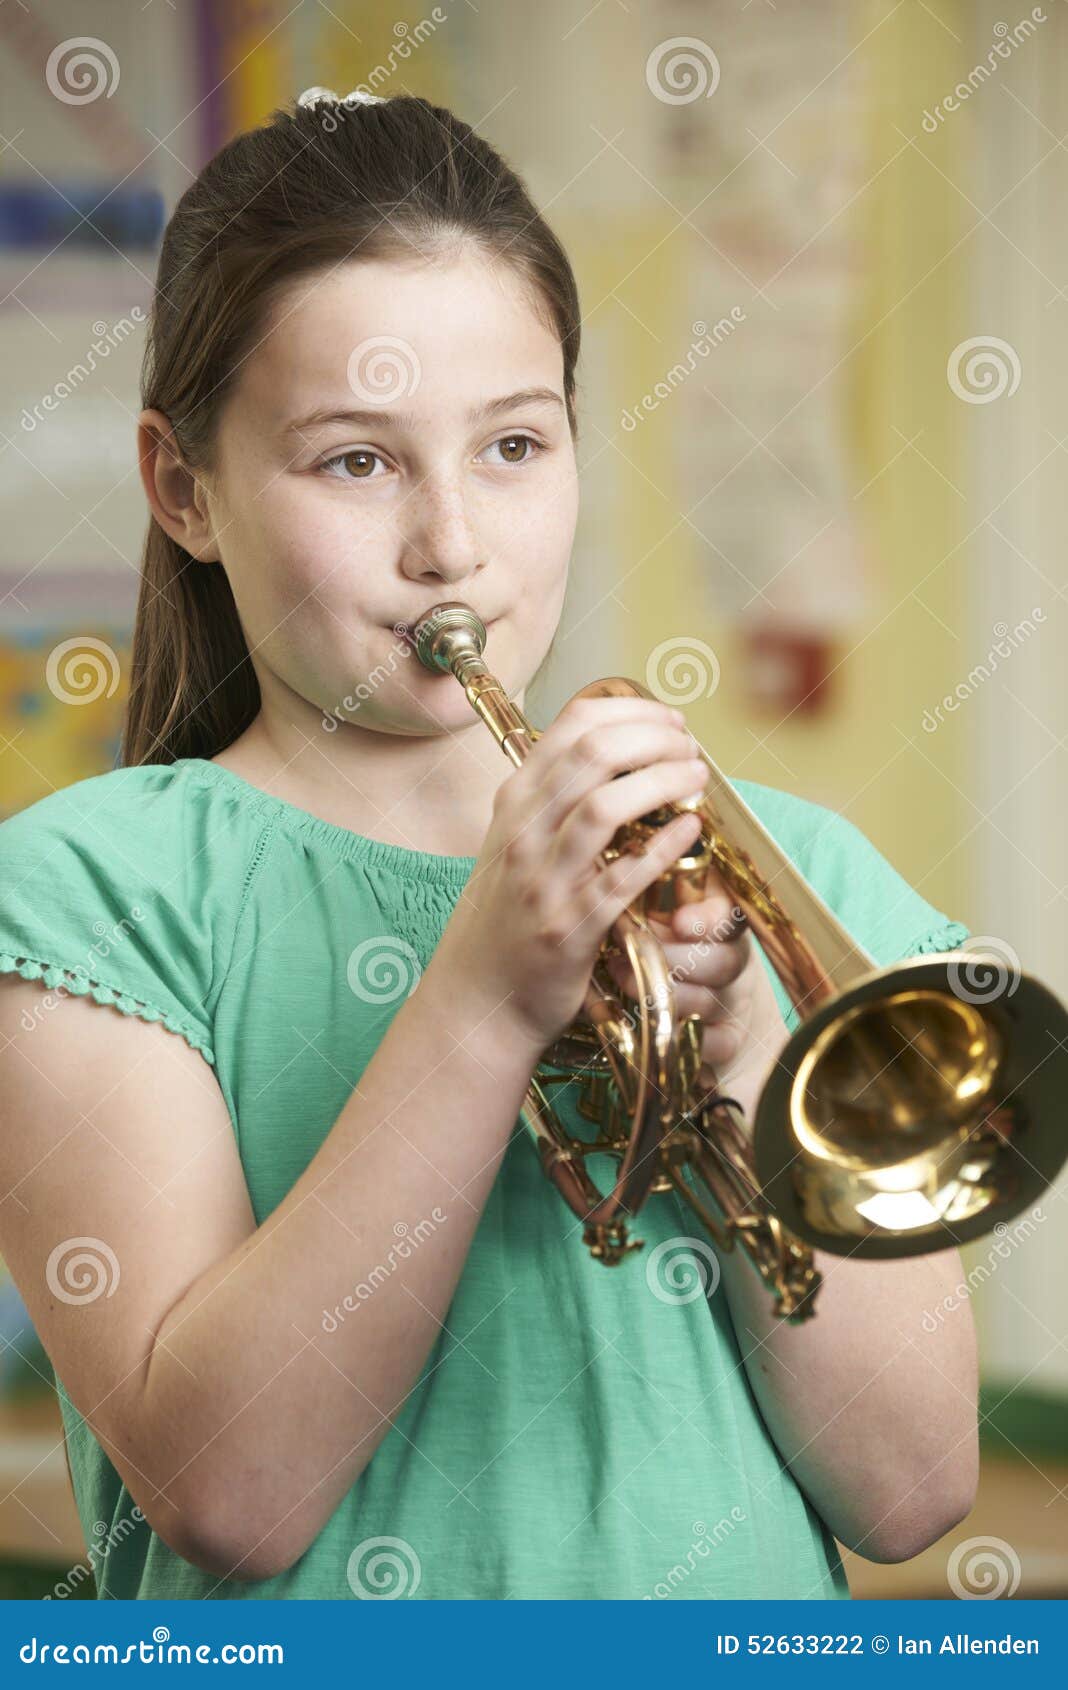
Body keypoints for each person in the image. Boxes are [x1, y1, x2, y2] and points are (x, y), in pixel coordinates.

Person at [0, 90, 979, 1600]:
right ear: (181, 489)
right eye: (355, 461)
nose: (451, 540)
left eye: (516, 443)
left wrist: (739, 1052)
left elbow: (913, 1487)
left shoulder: (789, 871)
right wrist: (484, 997)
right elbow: (232, 1495)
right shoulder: (92, 891)